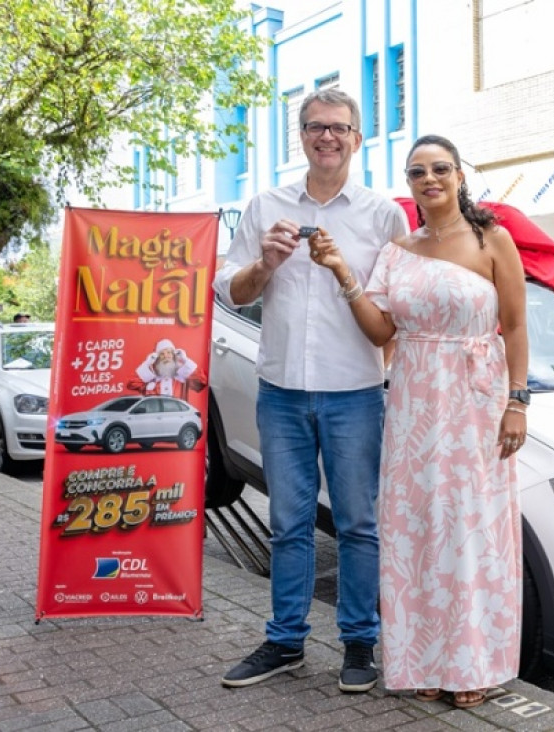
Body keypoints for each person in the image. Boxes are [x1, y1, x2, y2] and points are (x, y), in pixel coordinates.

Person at [310, 134, 528, 709]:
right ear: (408, 184)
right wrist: (341, 272)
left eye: (439, 169)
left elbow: (517, 325)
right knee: (418, 532)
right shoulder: (398, 250)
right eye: (416, 172)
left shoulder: (492, 240)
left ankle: (473, 662)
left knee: (470, 531)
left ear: (459, 175)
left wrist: (518, 401)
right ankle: (425, 660)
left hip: (476, 402)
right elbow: (382, 332)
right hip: (411, 403)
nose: (428, 179)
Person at [213, 88, 408, 694]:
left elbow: (398, 307)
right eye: (315, 127)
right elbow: (234, 293)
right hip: (283, 392)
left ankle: (358, 644)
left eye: (340, 128)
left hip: (355, 392)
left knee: (357, 524)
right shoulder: (264, 206)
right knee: (288, 524)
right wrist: (265, 263)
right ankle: (285, 640)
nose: (328, 136)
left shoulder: (382, 215)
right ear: (299, 136)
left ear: (357, 137)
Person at [126, 338, 205, 400]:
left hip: (179, 417)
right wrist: (146, 364)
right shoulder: (150, 374)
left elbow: (201, 383)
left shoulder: (183, 374)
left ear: (174, 355)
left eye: (169, 352)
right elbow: (131, 383)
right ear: (157, 358)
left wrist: (186, 360)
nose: (166, 356)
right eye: (162, 354)